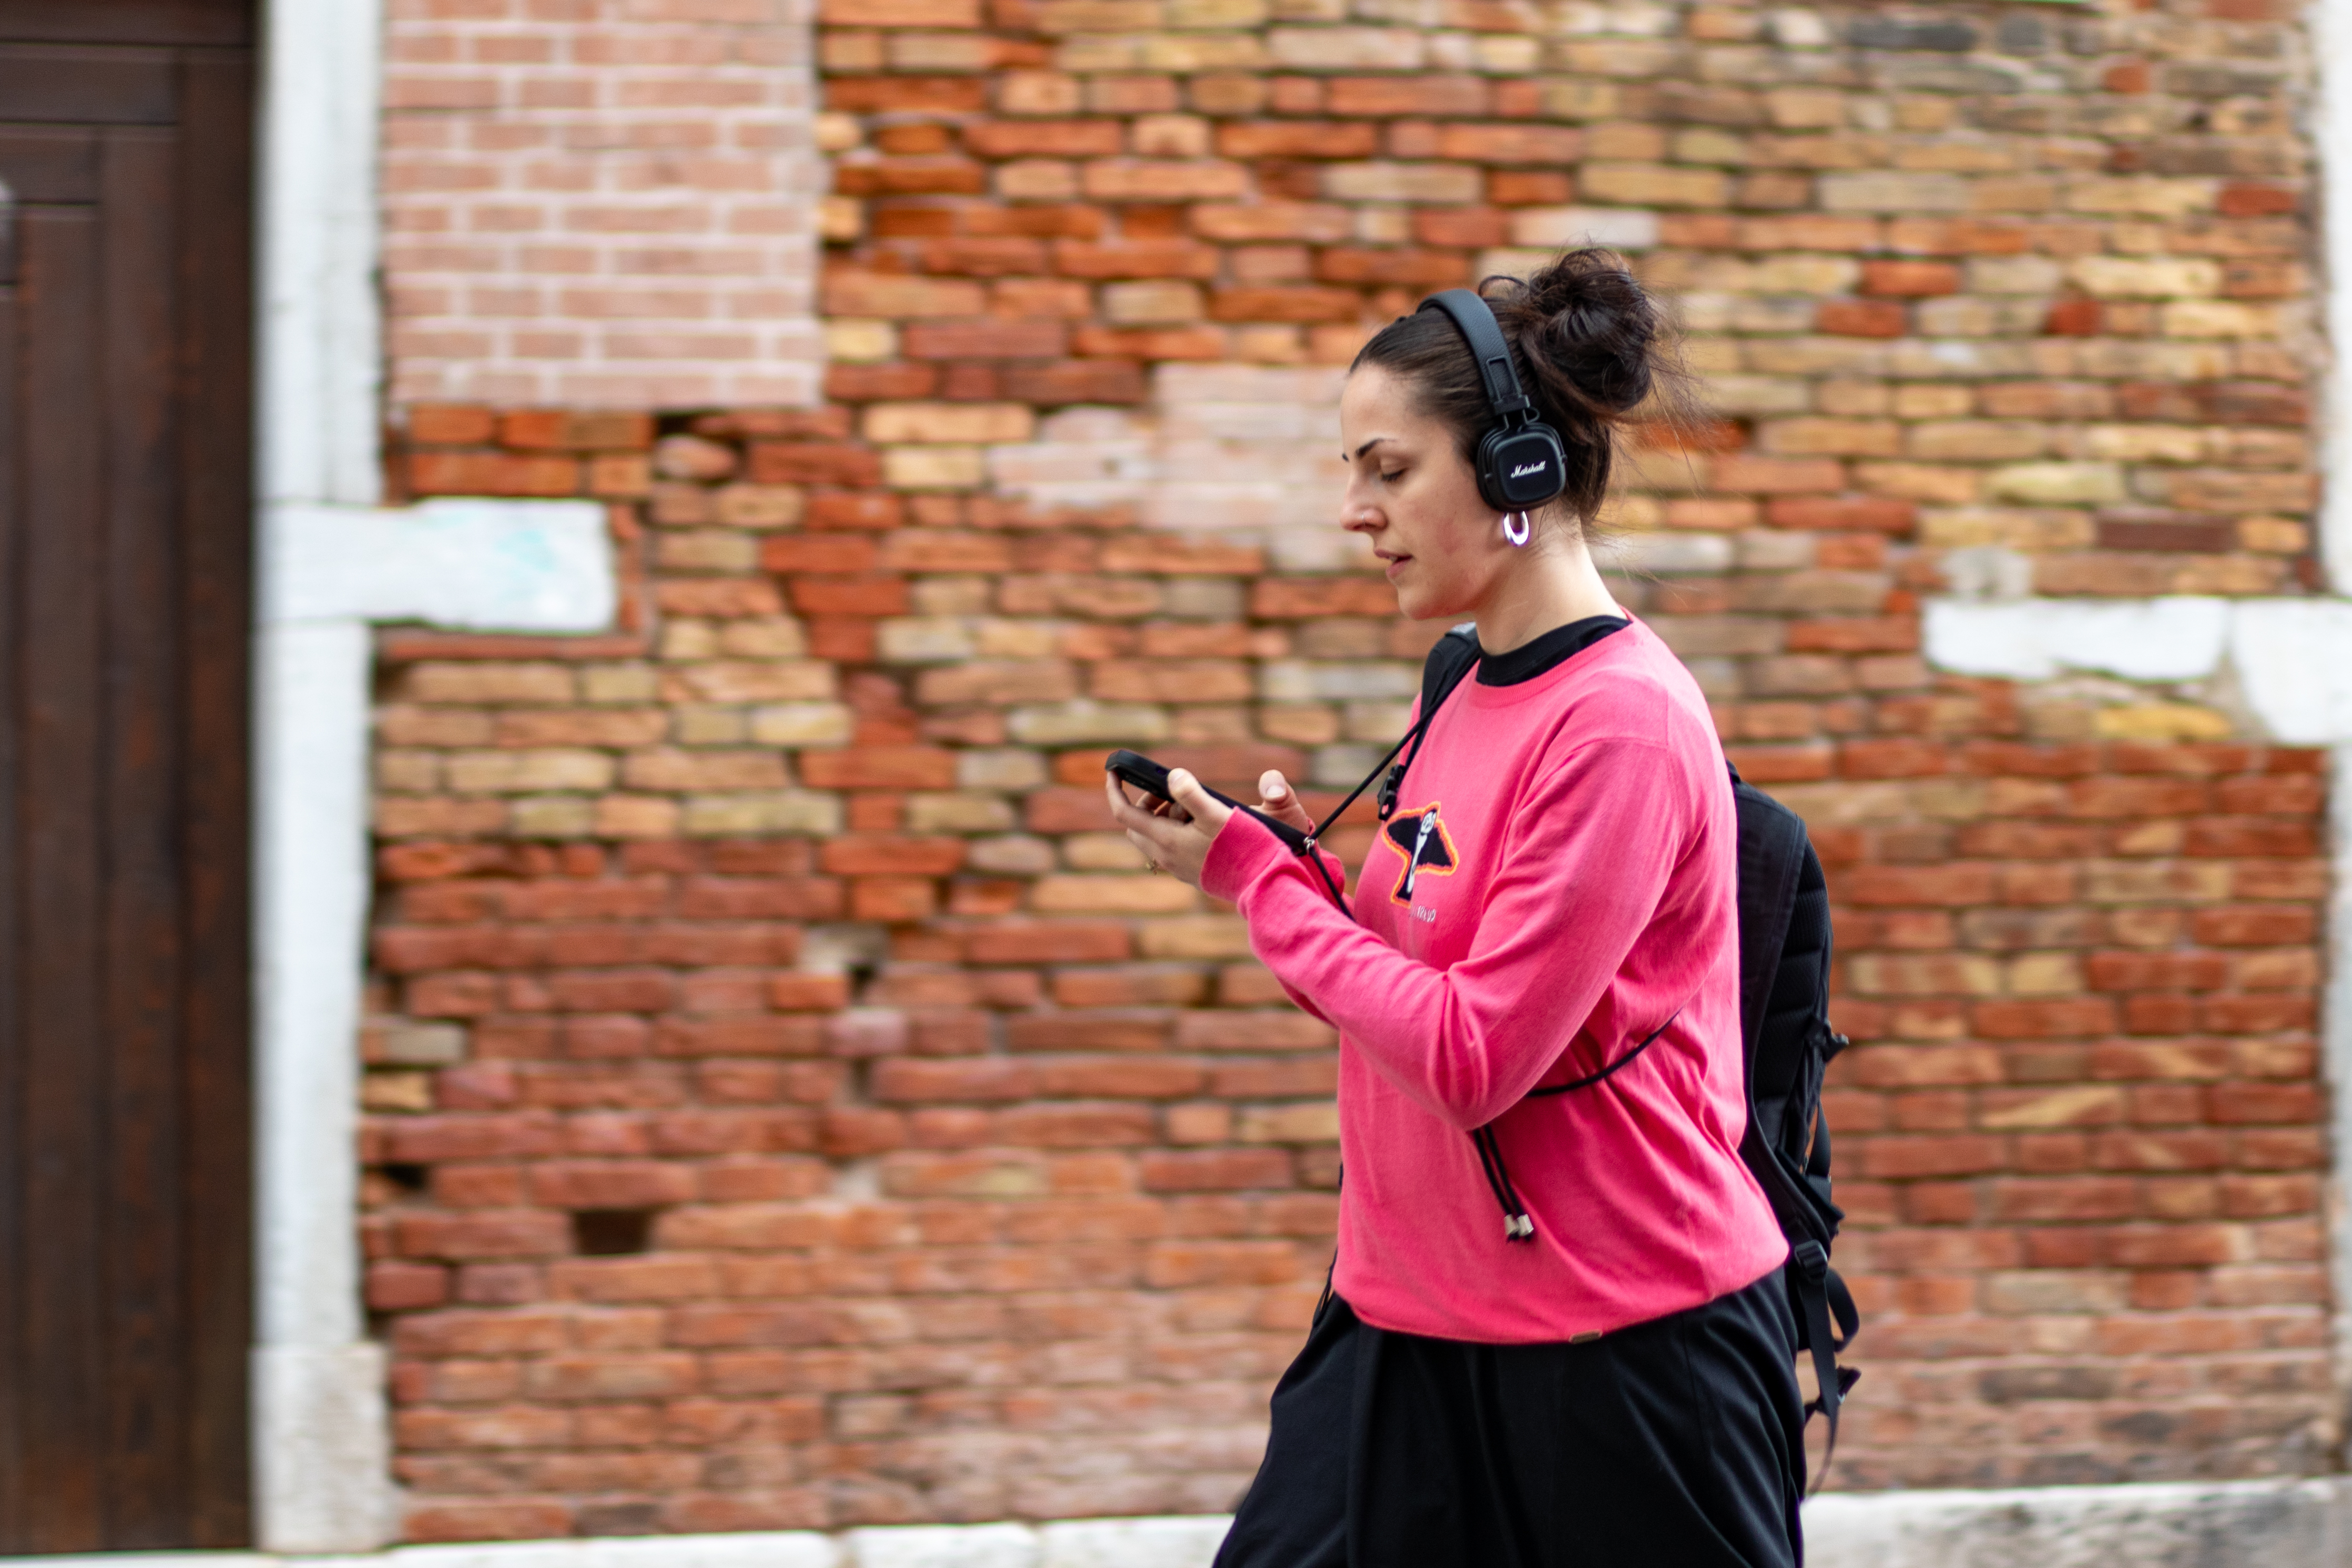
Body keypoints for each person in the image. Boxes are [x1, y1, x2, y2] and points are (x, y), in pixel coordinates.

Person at [1103, 248, 1807, 1568]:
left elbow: (1472, 1056)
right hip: (1401, 1329)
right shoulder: (1461, 686)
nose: (1355, 513)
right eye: (1351, 474)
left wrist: (1262, 894)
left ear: (1517, 474)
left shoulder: (1620, 724)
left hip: (1619, 1356)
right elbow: (1409, 986)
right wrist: (1294, 880)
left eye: (1388, 468)